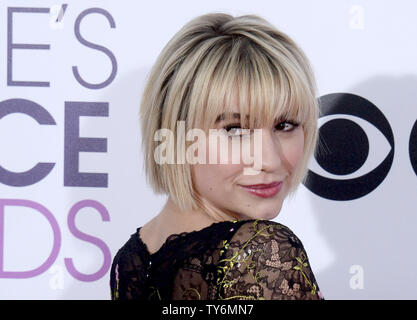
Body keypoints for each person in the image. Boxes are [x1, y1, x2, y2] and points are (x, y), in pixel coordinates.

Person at [110, 12, 324, 300]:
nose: (270, 160)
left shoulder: (130, 260)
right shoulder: (261, 253)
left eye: (285, 126)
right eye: (235, 130)